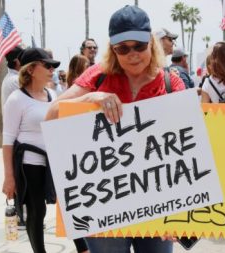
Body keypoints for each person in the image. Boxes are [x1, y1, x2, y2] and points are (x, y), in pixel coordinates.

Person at [45, 5, 185, 252]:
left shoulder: (170, 83)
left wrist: (182, 212)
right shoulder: (97, 76)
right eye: (123, 48)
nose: (132, 54)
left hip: (158, 204)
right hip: (105, 207)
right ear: (113, 50)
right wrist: (91, 98)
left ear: (151, 44)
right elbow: (51, 115)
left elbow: (188, 146)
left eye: (139, 46)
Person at [2, 47, 60, 253]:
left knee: (68, 205)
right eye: (47, 65)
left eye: (53, 66)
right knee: (37, 211)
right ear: (31, 69)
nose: (52, 69)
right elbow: (8, 140)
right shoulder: (17, 99)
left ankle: (83, 248)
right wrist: (9, 177)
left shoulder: (53, 94)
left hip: (54, 162)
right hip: (30, 163)